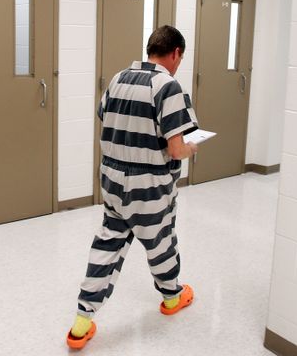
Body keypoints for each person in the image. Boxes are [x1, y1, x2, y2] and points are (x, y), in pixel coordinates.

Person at [66, 25, 199, 350]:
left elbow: (105, 116)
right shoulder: (169, 87)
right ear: (176, 53)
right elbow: (177, 147)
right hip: (150, 187)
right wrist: (193, 145)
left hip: (112, 181)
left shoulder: (118, 78)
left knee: (107, 246)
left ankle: (81, 324)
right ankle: (172, 299)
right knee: (161, 243)